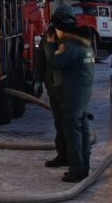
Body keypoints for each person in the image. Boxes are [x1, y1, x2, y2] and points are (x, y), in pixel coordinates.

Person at [53, 11, 96, 183]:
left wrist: (52, 47)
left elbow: (56, 63)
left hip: (72, 96)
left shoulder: (70, 48)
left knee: (73, 134)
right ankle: (83, 168)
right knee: (83, 132)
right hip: (83, 96)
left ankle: (76, 171)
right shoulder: (86, 47)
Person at [33, 23, 67, 168]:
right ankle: (63, 155)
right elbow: (41, 60)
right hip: (53, 86)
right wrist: (38, 79)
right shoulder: (48, 37)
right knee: (59, 123)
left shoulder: (72, 39)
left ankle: (77, 162)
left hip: (68, 88)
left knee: (71, 126)